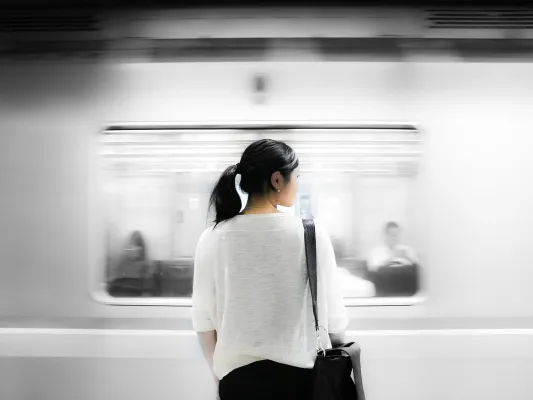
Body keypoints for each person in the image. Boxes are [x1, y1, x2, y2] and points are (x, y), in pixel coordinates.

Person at [192, 139, 348, 400]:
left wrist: (220, 377)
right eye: (296, 177)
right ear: (277, 180)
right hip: (301, 382)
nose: (297, 186)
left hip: (237, 383)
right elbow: (334, 320)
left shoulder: (212, 237)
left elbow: (204, 322)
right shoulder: (311, 233)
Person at [108, 231, 153, 297]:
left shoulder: (146, 266)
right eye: (131, 245)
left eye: (136, 245)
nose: (132, 248)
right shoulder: (121, 263)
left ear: (141, 249)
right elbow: (113, 285)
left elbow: (147, 292)